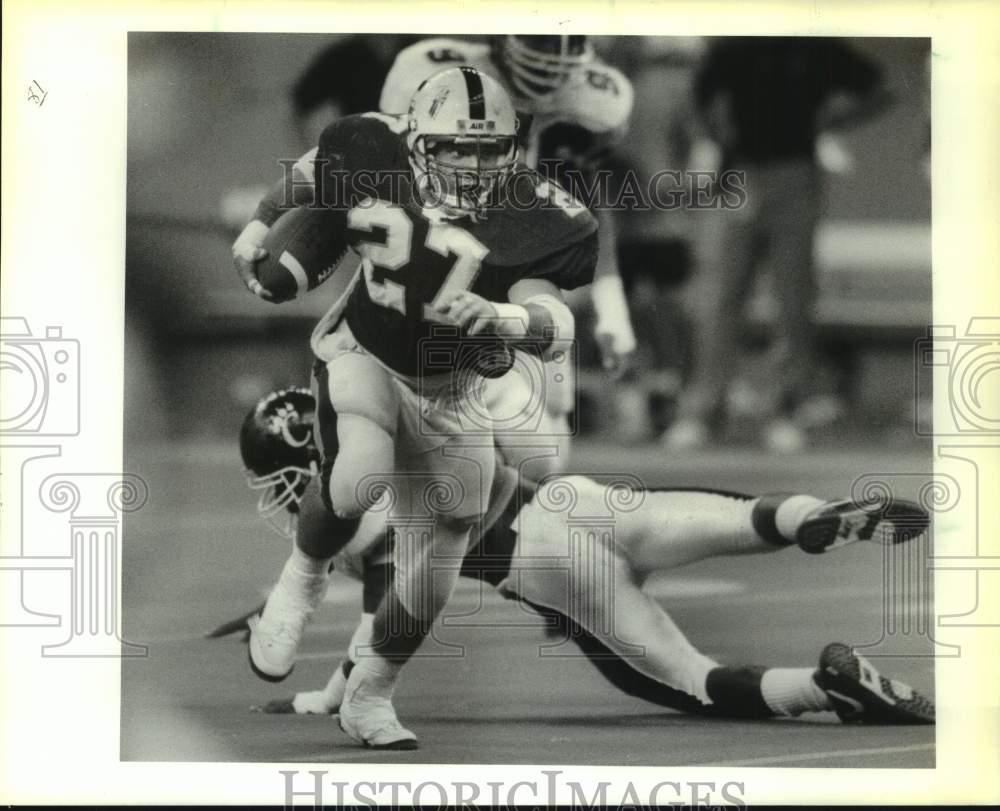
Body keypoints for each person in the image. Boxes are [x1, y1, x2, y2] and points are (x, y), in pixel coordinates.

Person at [210, 387, 934, 749]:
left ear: (309, 464)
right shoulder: (395, 401)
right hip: (580, 500)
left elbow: (381, 614)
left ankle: (822, 684)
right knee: (741, 518)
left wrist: (329, 695)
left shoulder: (356, 502)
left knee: (695, 684)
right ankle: (813, 513)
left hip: (551, 567)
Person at [231, 67, 598, 747]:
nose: (472, 163)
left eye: (488, 150)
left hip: (452, 389)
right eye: (455, 147)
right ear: (415, 139)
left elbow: (557, 319)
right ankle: (300, 581)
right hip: (365, 349)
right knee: (361, 471)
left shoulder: (539, 212)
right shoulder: (374, 147)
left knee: (439, 559)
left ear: (511, 148)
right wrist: (260, 226)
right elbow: (313, 172)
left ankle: (370, 693)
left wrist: (503, 318)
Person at [663, 37, 894, 453]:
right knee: (722, 298)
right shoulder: (733, 44)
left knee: (793, 299)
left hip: (796, 175)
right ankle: (702, 411)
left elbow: (881, 90)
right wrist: (713, 139)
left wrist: (830, 120)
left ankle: (784, 409)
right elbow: (695, 99)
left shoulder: (814, 43)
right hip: (740, 173)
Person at [379, 35, 639, 386]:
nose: (554, 57)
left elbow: (588, 201)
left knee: (545, 404)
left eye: (569, 40)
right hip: (436, 256)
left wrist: (612, 311)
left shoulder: (594, 102)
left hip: (523, 263)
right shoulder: (434, 70)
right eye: (542, 40)